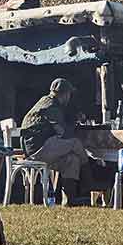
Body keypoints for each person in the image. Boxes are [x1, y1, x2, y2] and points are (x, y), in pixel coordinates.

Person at [20, 77, 91, 205]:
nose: (69, 98)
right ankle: (90, 179)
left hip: (41, 147)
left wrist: (73, 120)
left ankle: (69, 201)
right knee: (75, 143)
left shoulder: (47, 102)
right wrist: (76, 122)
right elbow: (63, 133)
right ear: (64, 94)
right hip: (37, 150)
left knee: (72, 160)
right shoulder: (51, 106)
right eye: (69, 94)